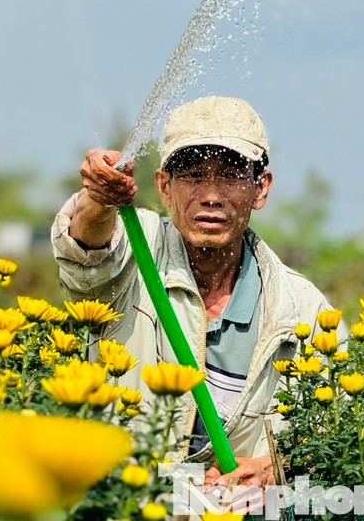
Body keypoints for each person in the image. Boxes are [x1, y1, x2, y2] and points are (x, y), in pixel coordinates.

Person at [52, 96, 341, 491]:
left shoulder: (301, 308)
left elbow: (336, 435)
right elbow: (85, 253)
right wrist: (100, 199)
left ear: (261, 188)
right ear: (164, 187)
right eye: (192, 174)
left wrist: (274, 469)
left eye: (231, 175)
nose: (210, 194)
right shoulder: (135, 251)